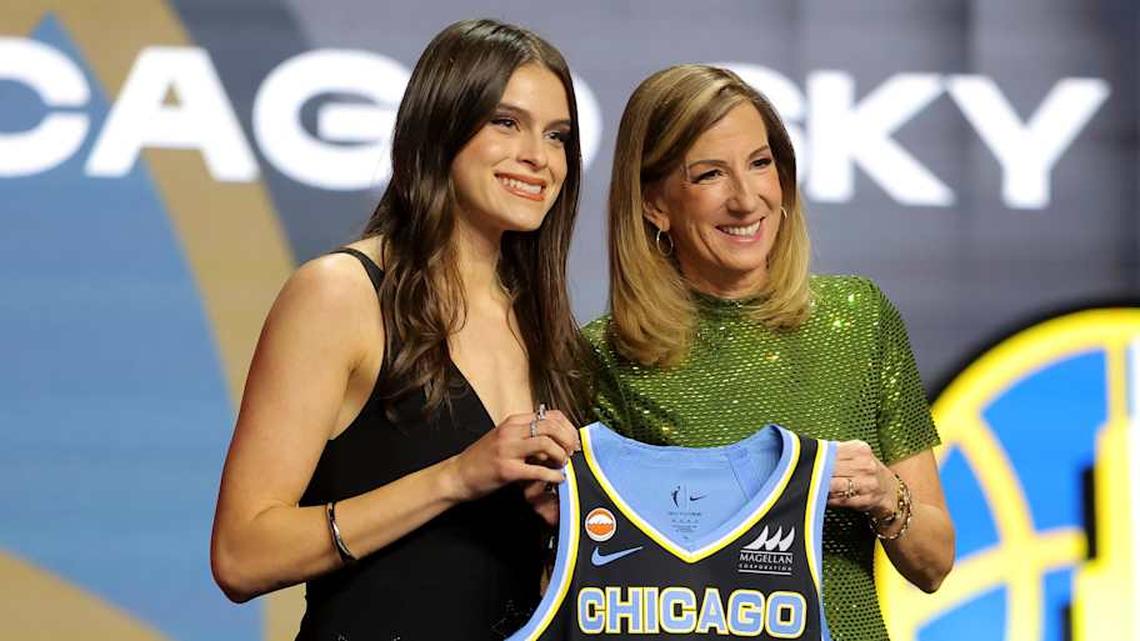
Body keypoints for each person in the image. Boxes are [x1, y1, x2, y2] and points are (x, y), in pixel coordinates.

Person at [210, 19, 589, 640]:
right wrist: (455, 478)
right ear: (440, 127)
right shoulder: (340, 294)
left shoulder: (549, 328)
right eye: (506, 122)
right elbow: (241, 554)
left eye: (557, 136)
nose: (539, 157)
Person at [582, 64, 955, 640]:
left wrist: (886, 495)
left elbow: (934, 563)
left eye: (761, 164)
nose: (746, 198)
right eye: (709, 174)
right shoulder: (606, 355)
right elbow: (596, 578)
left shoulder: (858, 317)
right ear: (655, 204)